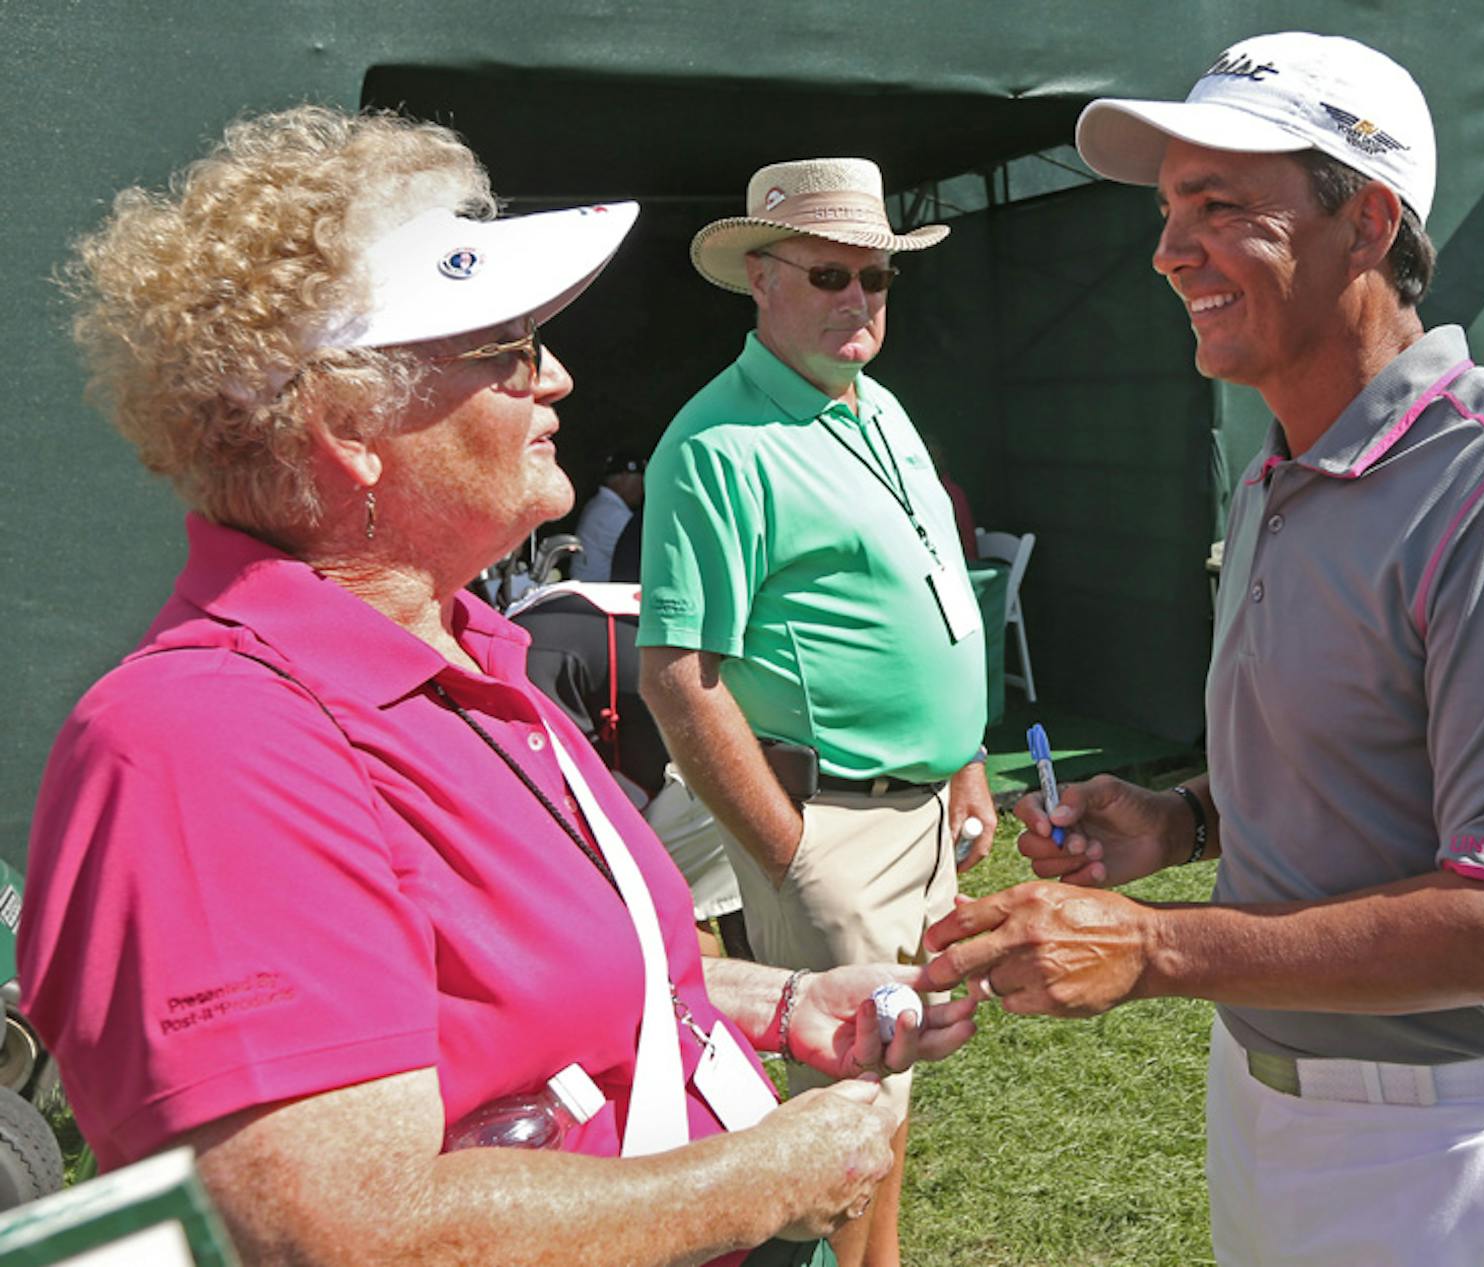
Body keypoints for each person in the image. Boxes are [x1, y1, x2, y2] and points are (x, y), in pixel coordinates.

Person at [20, 106, 974, 1267]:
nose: (559, 378)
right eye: (509, 350)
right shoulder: (202, 746)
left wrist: (772, 1004)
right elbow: (333, 1235)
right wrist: (760, 1180)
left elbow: (533, 988)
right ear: (345, 425)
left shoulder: (467, 649)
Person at [922, 32, 1484, 1266]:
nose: (1171, 250)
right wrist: (1184, 820)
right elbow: (1374, 757)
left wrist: (1156, 945)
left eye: (1222, 206)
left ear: (1370, 220)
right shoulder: (1282, 468)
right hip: (1274, 1101)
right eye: (1172, 210)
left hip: (1458, 1149)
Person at [639, 157, 995, 1267]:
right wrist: (793, 855)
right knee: (846, 1104)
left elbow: (935, 594)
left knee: (883, 1089)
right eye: (831, 274)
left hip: (920, 812)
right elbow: (675, 674)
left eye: (877, 278)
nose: (859, 299)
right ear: (762, 278)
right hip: (832, 823)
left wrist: (963, 760)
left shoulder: (873, 403)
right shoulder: (715, 446)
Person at [510, 580, 752, 961]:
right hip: (744, 722)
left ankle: (696, 1012)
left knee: (661, 900)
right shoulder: (541, 618)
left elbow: (562, 800)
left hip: (731, 739)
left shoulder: (523, 656)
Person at [570, 449, 645, 580]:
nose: (643, 487)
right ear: (624, 477)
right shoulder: (612, 514)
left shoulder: (601, 505)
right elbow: (643, 558)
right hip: (596, 594)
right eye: (640, 480)